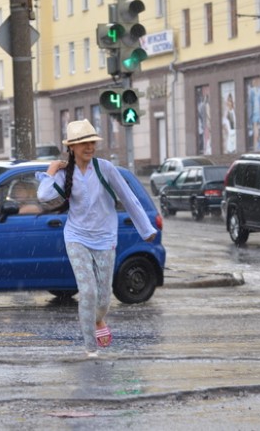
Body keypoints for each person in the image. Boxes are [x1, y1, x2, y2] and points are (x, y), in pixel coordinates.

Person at [36, 119, 158, 358]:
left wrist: (146, 229)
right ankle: (90, 348)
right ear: (71, 147)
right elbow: (43, 195)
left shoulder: (105, 169)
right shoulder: (65, 174)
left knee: (103, 298)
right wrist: (51, 169)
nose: (89, 147)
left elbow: (129, 198)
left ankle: (99, 319)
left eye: (91, 142)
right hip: (76, 237)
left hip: (105, 239)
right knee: (87, 291)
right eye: (83, 143)